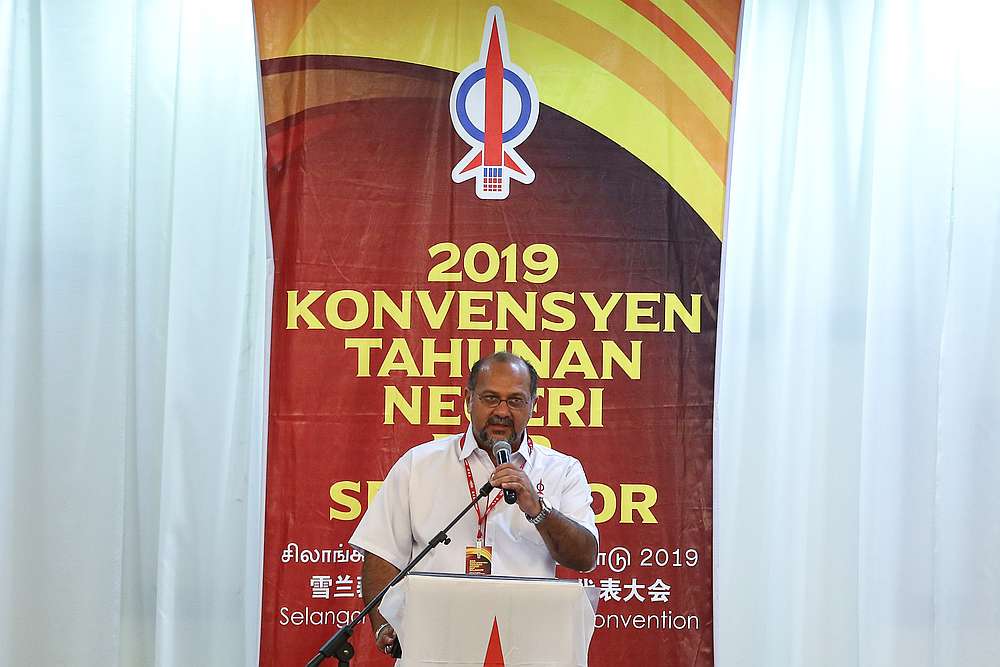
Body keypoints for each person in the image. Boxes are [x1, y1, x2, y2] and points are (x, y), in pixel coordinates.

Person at [349, 352, 599, 656]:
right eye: (490, 398)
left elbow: (584, 557)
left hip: (526, 646)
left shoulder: (562, 470)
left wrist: (538, 509)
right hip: (435, 642)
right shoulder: (419, 465)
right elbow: (382, 553)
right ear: (468, 399)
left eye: (516, 401)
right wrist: (383, 625)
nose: (502, 411)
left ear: (534, 405)